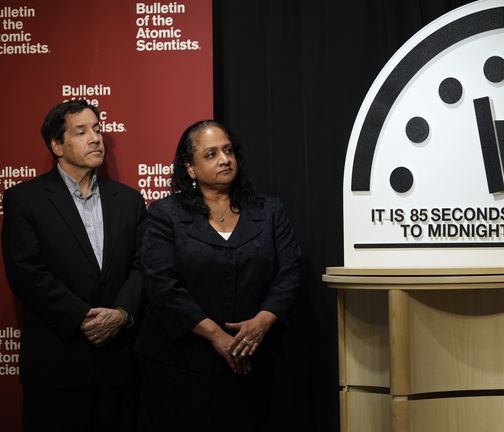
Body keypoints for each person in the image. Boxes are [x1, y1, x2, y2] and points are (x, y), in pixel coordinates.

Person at [135, 120, 301, 431]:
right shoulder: (165, 215)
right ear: (191, 169)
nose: (224, 159)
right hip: (182, 367)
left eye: (227, 151)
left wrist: (263, 321)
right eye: (211, 154)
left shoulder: (270, 210)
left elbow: (289, 272)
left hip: (255, 362)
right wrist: (217, 336)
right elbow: (161, 285)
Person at [1, 100, 146, 431]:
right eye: (81, 132)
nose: (96, 138)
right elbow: (25, 272)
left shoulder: (129, 200)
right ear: (57, 145)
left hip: (119, 368)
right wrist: (83, 317)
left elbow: (143, 267)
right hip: (56, 366)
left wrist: (121, 314)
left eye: (97, 129)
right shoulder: (24, 199)